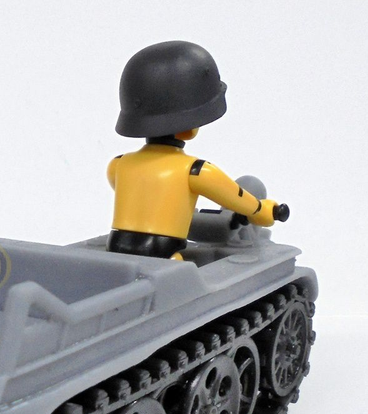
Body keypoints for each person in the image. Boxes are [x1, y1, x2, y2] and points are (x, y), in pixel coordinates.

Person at [107, 41, 280, 260]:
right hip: (164, 254)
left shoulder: (118, 164)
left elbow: (136, 193)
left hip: (117, 246)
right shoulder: (196, 170)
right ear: (188, 129)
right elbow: (235, 196)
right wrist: (261, 210)